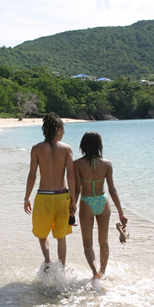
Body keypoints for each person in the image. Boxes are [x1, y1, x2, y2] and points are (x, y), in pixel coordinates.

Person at [24, 112, 76, 268]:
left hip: (44, 197)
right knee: (61, 237)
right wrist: (73, 199)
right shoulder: (67, 149)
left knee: (42, 234)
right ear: (59, 129)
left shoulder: (36, 149)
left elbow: (32, 176)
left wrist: (26, 198)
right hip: (62, 196)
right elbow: (71, 176)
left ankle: (47, 263)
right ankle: (62, 268)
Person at [74, 131, 127, 279]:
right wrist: (121, 213)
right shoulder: (107, 164)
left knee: (88, 244)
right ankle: (103, 273)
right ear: (99, 145)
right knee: (103, 242)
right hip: (103, 201)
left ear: (83, 145)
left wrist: (72, 207)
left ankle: (95, 272)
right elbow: (112, 190)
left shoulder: (77, 164)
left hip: (86, 202)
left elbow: (77, 189)